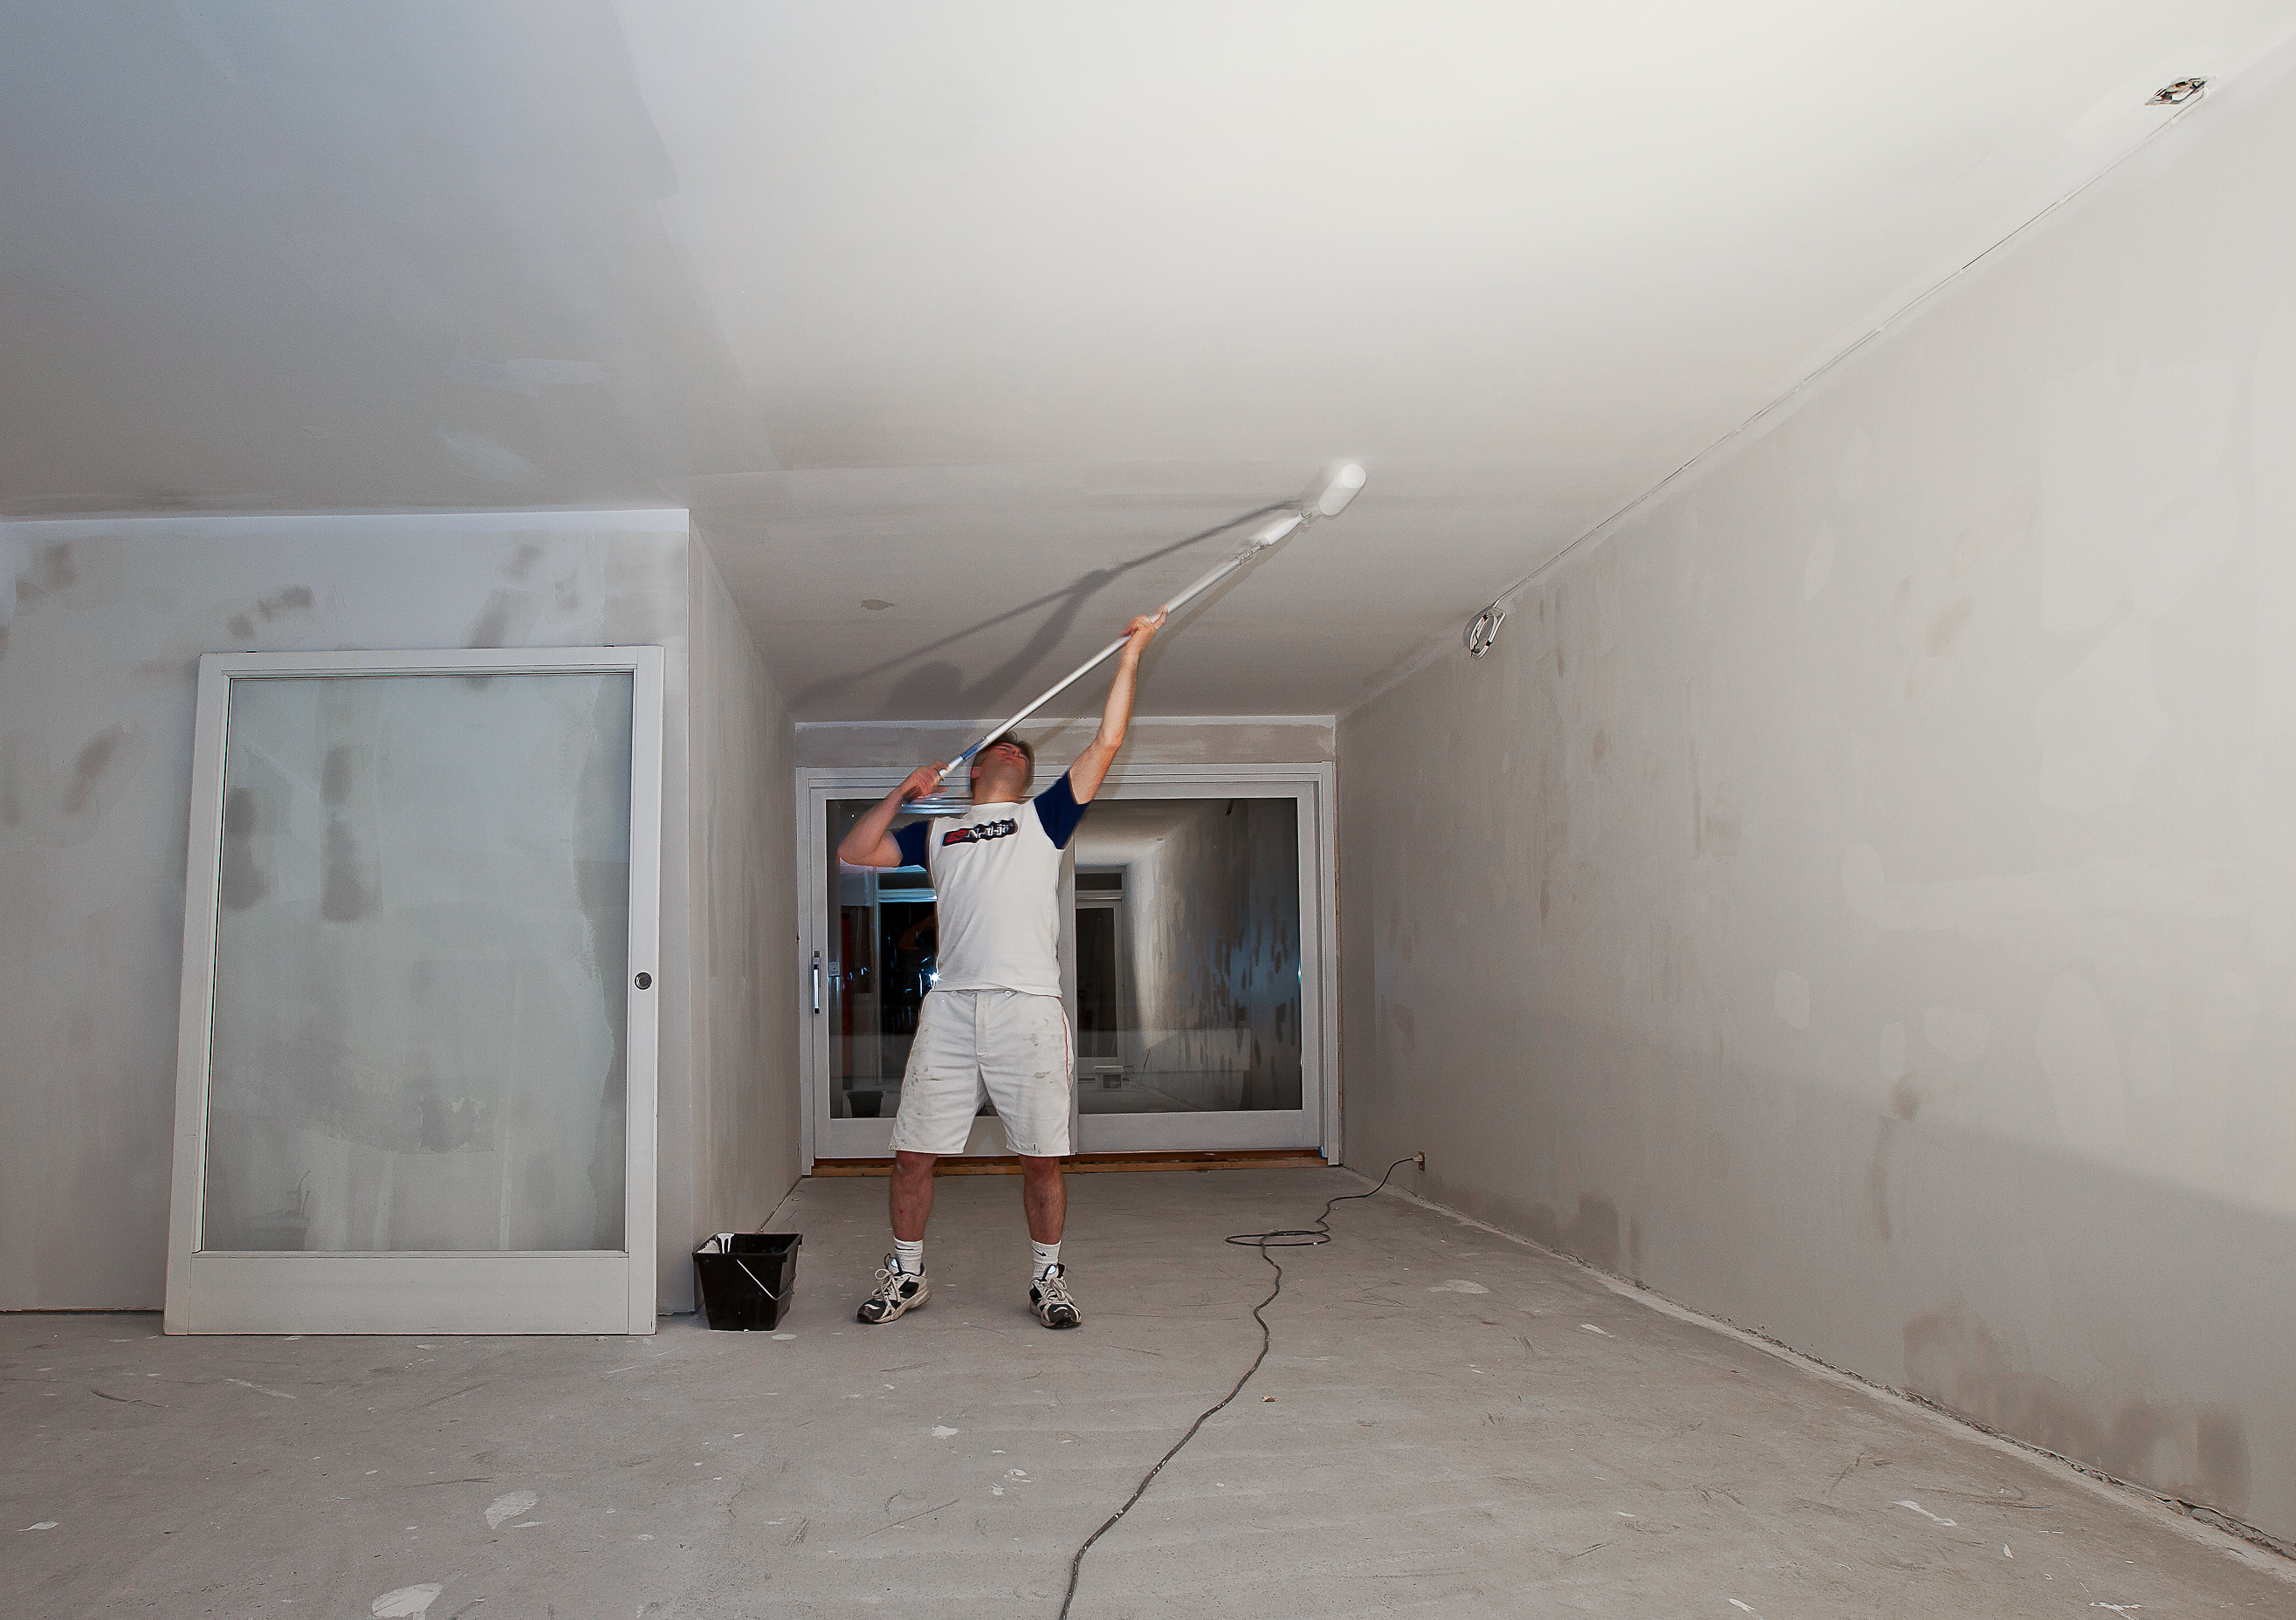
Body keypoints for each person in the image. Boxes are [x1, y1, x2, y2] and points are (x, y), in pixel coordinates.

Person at [836, 608, 1167, 1328]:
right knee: (913, 1154)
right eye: (1002, 746)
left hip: (1028, 1007)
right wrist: (903, 793)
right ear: (976, 767)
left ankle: (1048, 1279)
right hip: (953, 1007)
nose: (1015, 749)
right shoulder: (937, 832)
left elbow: (1108, 739)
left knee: (1042, 1157)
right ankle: (907, 1275)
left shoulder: (1044, 818)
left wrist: (1133, 652)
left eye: (1023, 750)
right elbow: (854, 852)